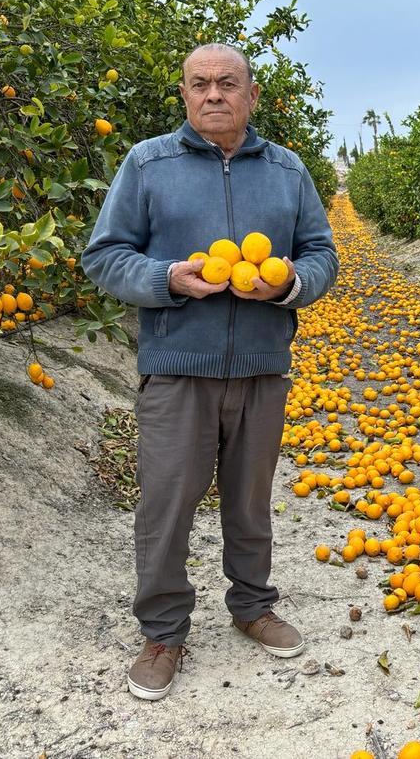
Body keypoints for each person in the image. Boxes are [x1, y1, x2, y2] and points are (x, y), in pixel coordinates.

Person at [81, 43, 338, 701]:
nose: (214, 95)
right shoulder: (148, 163)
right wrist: (168, 279)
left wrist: (285, 288)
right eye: (200, 84)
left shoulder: (287, 171)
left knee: (250, 503)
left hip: (261, 368)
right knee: (166, 505)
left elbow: (321, 256)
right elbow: (104, 256)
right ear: (185, 94)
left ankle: (253, 607)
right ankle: (164, 632)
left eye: (228, 83)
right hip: (178, 369)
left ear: (253, 95)